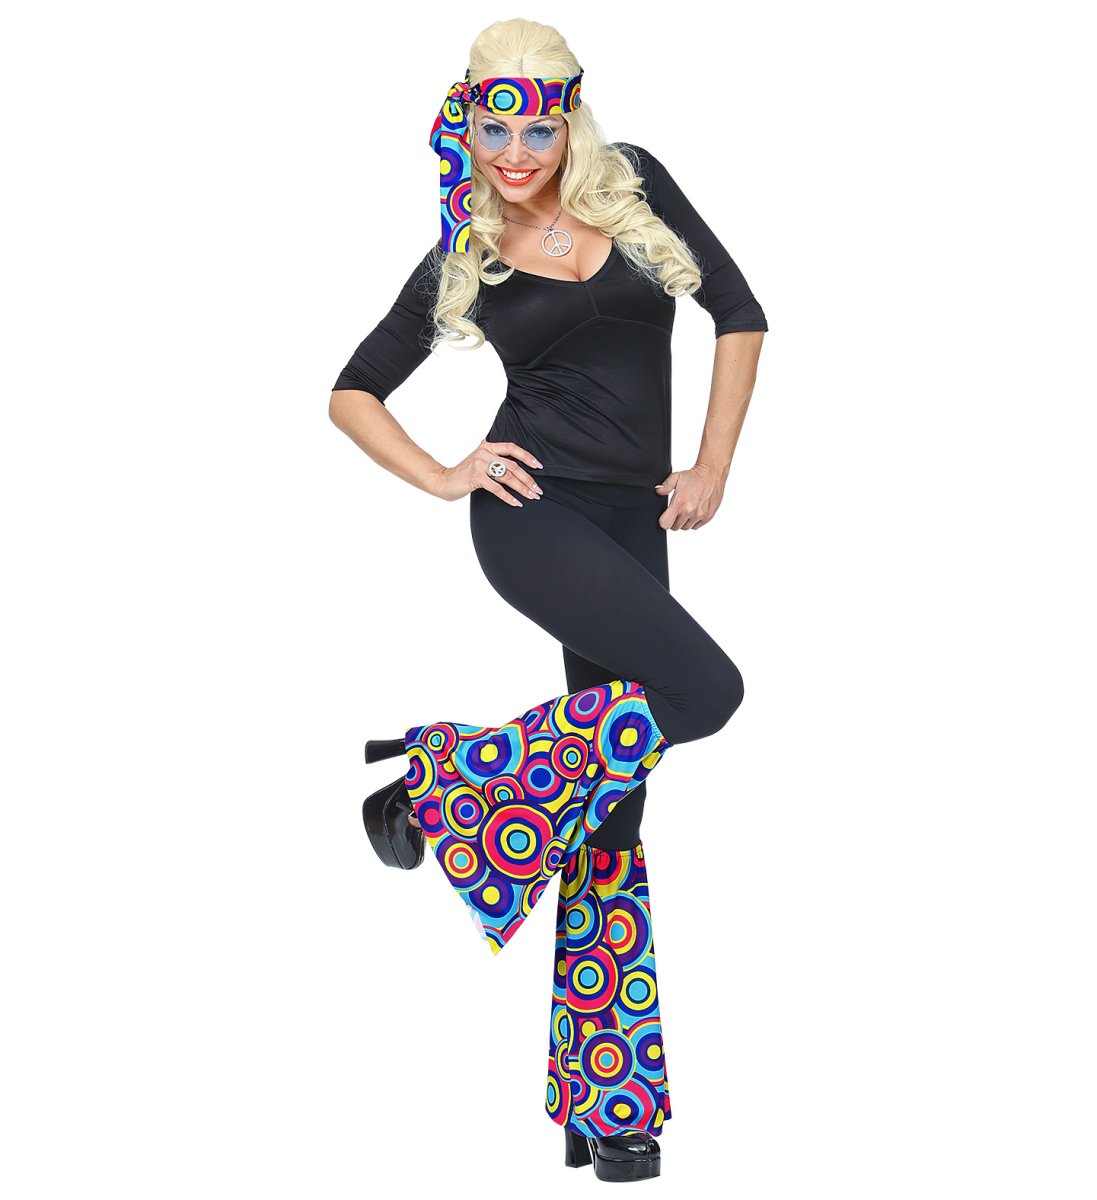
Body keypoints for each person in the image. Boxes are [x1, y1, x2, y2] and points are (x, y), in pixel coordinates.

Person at [329, 18, 767, 1184]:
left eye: (537, 127)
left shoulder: (638, 184)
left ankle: (606, 1103)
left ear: (567, 118)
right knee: (707, 691)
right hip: (531, 516)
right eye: (494, 128)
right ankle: (447, 786)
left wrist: (712, 464)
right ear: (465, 124)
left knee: (608, 816)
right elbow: (352, 391)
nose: (515, 154)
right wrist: (444, 472)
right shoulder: (463, 250)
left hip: (635, 519)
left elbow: (737, 313)